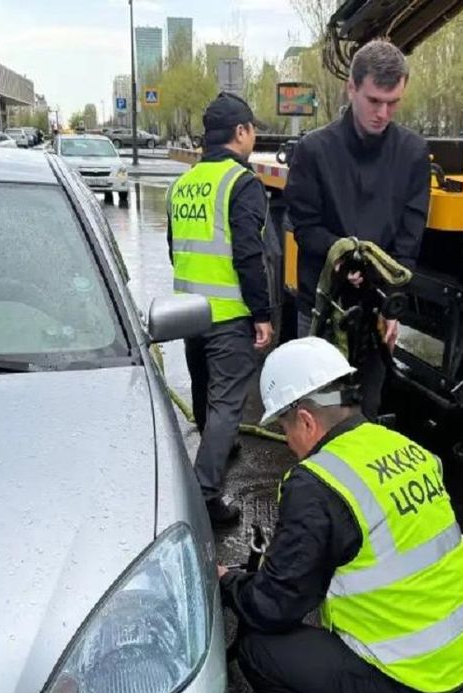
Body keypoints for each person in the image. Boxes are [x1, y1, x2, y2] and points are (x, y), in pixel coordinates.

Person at [220, 337, 463, 693]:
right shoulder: (403, 447)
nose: (289, 445)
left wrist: (229, 583)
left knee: (260, 650)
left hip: (427, 691)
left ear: (307, 421)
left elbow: (274, 607)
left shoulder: (318, 483)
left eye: (286, 430)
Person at [285, 39, 431, 420]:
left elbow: (409, 238)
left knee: (365, 409)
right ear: (351, 88)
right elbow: (305, 227)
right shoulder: (314, 150)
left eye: (393, 102)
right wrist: (343, 255)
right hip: (321, 307)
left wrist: (392, 303)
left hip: (376, 309)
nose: (383, 113)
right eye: (374, 101)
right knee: (319, 411)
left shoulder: (413, 153)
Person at [167, 92, 273, 527]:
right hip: (228, 314)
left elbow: (175, 249)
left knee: (203, 390)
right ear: (242, 132)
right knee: (228, 403)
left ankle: (219, 446)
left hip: (189, 310)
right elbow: (249, 254)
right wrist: (262, 314)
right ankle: (204, 497)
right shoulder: (241, 183)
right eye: (252, 131)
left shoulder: (184, 182)